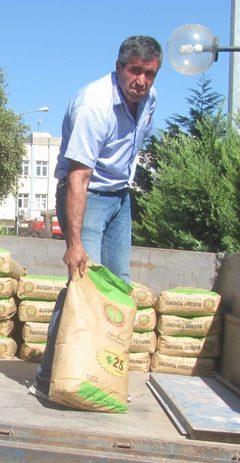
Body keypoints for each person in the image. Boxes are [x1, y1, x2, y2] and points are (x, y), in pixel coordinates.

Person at [34, 36, 162, 396]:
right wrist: (73, 243)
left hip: (120, 196)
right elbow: (78, 176)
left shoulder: (149, 100)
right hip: (84, 195)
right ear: (120, 68)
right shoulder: (96, 104)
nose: (141, 81)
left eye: (149, 74)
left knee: (118, 286)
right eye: (135, 71)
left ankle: (98, 371)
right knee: (82, 284)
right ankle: (49, 378)